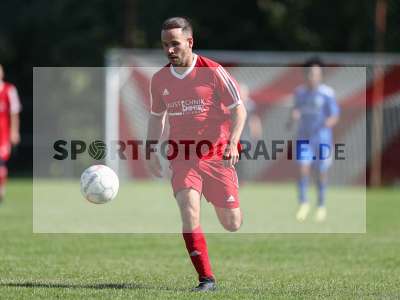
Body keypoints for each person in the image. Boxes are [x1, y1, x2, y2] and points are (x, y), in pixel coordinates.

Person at [146, 17, 247, 291]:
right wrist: (151, 149)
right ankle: (206, 279)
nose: (169, 50)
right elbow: (157, 117)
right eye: (165, 45)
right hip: (182, 156)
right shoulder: (159, 79)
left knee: (232, 223)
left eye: (175, 44)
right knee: (189, 211)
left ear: (190, 42)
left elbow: (239, 109)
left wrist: (232, 142)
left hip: (216, 155)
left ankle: (226, 189)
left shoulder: (213, 72)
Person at [287, 58, 339, 222]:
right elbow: (295, 111)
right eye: (310, 73)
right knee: (303, 168)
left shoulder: (327, 93)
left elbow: (334, 115)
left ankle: (321, 205)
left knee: (321, 172)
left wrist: (327, 123)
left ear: (321, 75)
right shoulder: (299, 93)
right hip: (304, 138)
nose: (312, 76)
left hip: (322, 139)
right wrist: (293, 117)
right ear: (305, 74)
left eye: (316, 74)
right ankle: (303, 203)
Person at [0, 64, 21, 203]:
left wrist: (14, 132)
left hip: (3, 134)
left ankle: (1, 191)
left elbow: (14, 113)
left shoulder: (9, 90)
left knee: (1, 164)